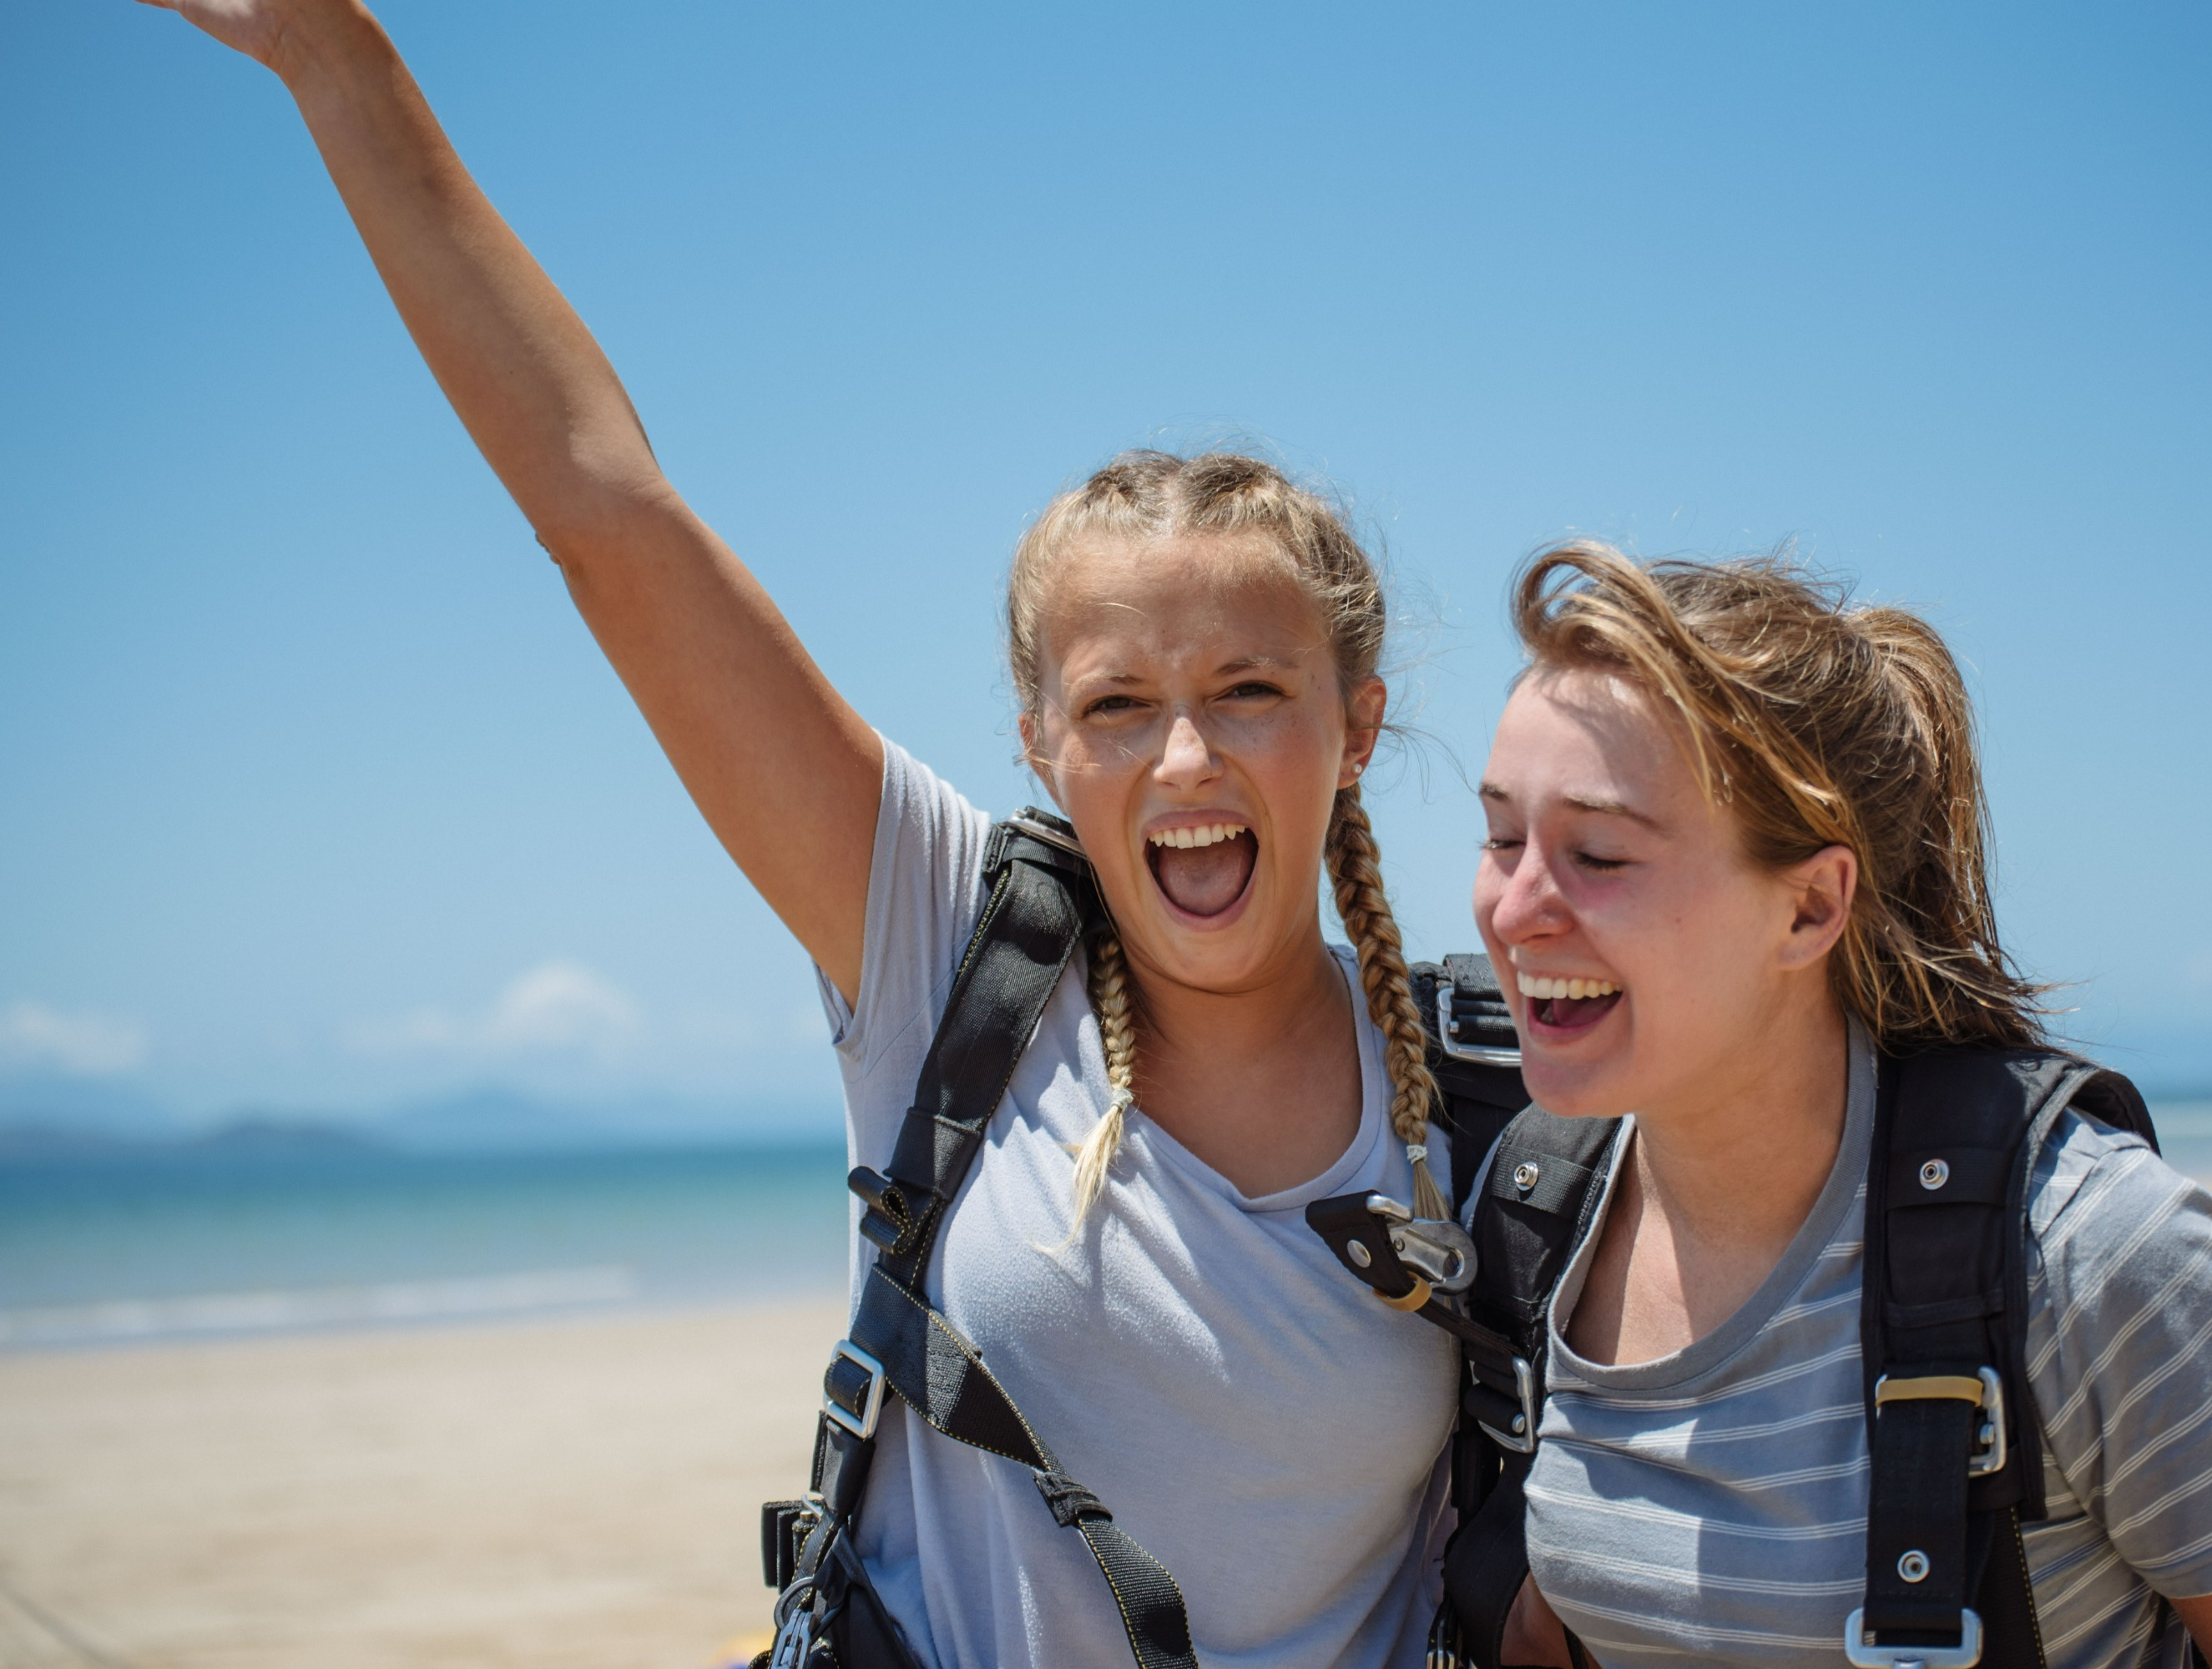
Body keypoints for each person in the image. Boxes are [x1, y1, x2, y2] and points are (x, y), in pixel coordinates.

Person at [134, 3, 1463, 1665]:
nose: (1185, 750)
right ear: (1043, 744)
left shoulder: (1479, 1095)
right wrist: (339, 60)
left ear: (1360, 722)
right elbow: (603, 511)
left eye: (1252, 687)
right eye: (1117, 703)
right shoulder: (942, 940)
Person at [1464, 547, 2212, 1666]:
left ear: (1810, 909)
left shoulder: (2092, 1257)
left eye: (1600, 853)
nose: (1514, 909)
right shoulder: (1537, 1216)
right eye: (1502, 836)